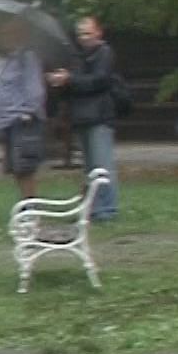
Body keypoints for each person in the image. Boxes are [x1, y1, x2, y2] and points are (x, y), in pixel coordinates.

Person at [50, 16, 121, 221]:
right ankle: (93, 207)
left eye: (88, 33)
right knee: (89, 167)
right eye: (80, 34)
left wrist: (71, 79)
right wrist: (60, 82)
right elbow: (74, 87)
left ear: (98, 33)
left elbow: (99, 80)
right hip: (81, 116)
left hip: (100, 116)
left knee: (102, 166)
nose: (84, 37)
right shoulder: (76, 57)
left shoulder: (104, 52)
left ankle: (107, 209)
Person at [0, 21, 48, 200]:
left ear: (18, 36)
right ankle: (25, 205)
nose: (3, 39)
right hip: (6, 121)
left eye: (7, 35)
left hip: (23, 121)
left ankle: (30, 208)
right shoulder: (2, 61)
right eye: (2, 35)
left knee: (25, 168)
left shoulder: (27, 58)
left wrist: (28, 112)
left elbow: (35, 90)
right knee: (16, 169)